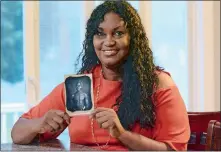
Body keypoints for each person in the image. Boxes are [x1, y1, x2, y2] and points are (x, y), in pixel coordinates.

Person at [11, 1, 190, 151]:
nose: (108, 41)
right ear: (92, 40)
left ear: (133, 39)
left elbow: (174, 149)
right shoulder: (79, 85)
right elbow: (17, 132)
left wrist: (122, 134)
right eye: (100, 33)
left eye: (118, 33)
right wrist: (40, 123)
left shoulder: (158, 84)